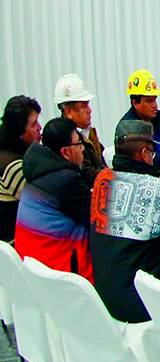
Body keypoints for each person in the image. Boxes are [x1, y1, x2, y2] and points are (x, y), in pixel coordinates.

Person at [89, 121, 160, 323]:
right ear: (143, 153)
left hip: (107, 298)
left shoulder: (102, 180)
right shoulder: (157, 189)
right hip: (143, 306)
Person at [14, 117, 95, 281]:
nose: (82, 150)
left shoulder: (37, 169)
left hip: (32, 268)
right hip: (61, 274)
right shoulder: (66, 180)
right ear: (65, 152)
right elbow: (97, 218)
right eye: (78, 145)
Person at [1, 96, 41, 243]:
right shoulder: (12, 166)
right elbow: (43, 204)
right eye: (34, 124)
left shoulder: (14, 153)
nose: (40, 128)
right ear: (19, 132)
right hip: (14, 245)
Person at [53, 74, 106, 177]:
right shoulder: (67, 140)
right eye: (84, 106)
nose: (89, 111)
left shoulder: (86, 133)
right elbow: (87, 174)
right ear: (68, 111)